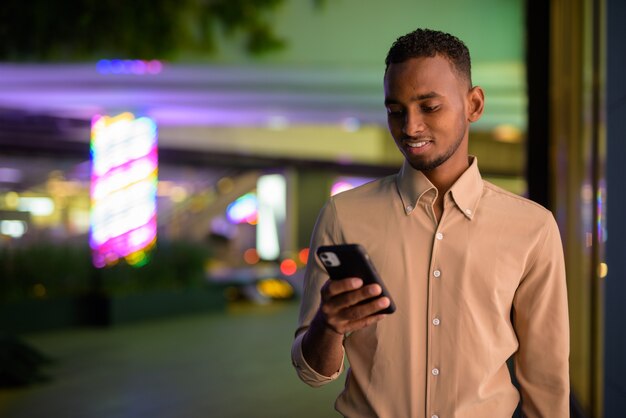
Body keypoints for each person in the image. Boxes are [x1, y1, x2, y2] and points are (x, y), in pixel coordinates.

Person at [291, 28, 569, 418]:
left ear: (474, 104)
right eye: (395, 110)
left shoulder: (533, 228)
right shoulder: (344, 216)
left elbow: (546, 377)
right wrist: (328, 324)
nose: (410, 127)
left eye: (429, 107)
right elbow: (313, 373)